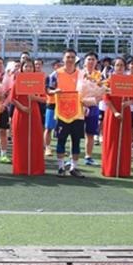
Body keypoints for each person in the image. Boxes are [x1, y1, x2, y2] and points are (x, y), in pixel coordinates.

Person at [47, 49, 86, 178]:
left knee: (76, 141)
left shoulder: (81, 74)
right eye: (68, 57)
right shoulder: (56, 74)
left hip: (78, 112)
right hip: (62, 112)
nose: (70, 59)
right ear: (63, 59)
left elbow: (87, 91)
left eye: (72, 57)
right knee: (61, 140)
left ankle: (74, 167)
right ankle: (61, 167)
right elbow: (48, 90)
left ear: (76, 59)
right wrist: (54, 92)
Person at [8, 58, 46, 176]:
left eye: (30, 66)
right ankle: (21, 167)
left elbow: (45, 99)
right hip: (20, 112)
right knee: (21, 140)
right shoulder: (17, 81)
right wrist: (22, 107)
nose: (28, 68)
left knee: (35, 140)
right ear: (22, 68)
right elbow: (12, 98)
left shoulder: (38, 81)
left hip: (34, 112)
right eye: (26, 66)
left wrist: (34, 98)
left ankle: (35, 168)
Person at [99, 57, 133, 178]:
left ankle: (123, 170)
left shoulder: (129, 80)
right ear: (113, 67)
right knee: (111, 139)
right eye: (117, 65)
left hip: (125, 111)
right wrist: (115, 112)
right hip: (112, 112)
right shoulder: (109, 81)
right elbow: (106, 99)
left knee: (124, 139)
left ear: (125, 67)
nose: (120, 67)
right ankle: (110, 168)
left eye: (122, 65)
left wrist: (129, 103)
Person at [80, 52, 104, 166]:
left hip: (93, 106)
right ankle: (73, 156)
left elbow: (102, 91)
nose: (91, 61)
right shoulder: (78, 74)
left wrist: (92, 101)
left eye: (93, 59)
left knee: (90, 133)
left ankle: (88, 156)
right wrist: (82, 103)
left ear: (96, 62)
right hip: (79, 106)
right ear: (84, 62)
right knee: (75, 133)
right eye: (89, 59)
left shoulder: (99, 75)